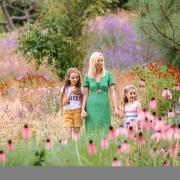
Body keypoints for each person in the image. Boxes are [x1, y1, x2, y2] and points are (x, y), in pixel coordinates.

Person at [81, 51, 119, 132]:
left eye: (102, 60)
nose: (101, 62)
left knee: (105, 128)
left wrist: (116, 107)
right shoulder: (88, 76)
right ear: (93, 62)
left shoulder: (108, 74)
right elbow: (85, 95)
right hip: (91, 107)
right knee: (91, 129)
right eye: (99, 60)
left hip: (104, 105)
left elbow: (112, 92)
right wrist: (82, 109)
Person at [61, 68, 83, 142]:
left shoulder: (81, 89)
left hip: (77, 112)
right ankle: (66, 149)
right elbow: (63, 103)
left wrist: (83, 111)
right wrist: (70, 92)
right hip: (68, 112)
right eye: (72, 78)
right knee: (69, 136)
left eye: (77, 77)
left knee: (76, 134)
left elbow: (82, 101)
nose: (75, 79)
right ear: (68, 78)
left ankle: (76, 150)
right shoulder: (65, 89)